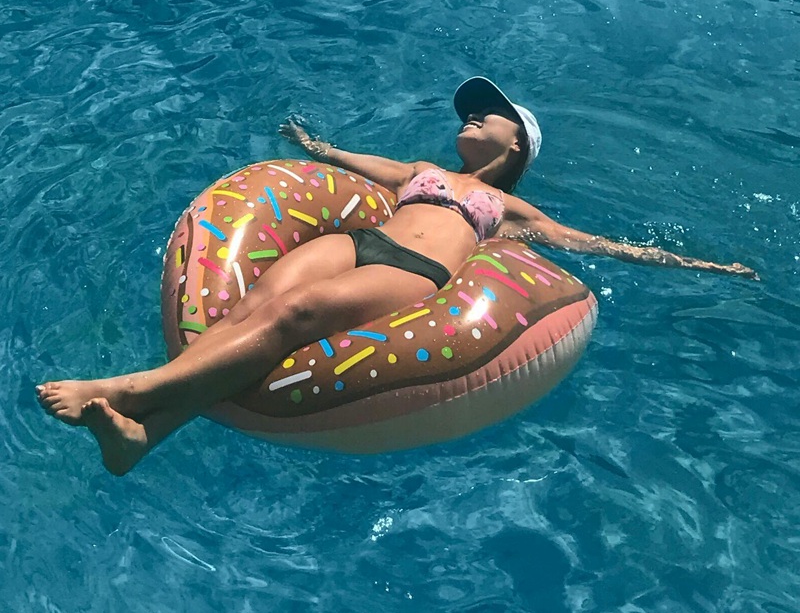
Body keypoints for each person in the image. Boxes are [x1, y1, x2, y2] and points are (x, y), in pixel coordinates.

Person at [36, 76, 758, 475]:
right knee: (253, 306)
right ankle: (142, 440)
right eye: (473, 111)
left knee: (294, 317)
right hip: (359, 241)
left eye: (490, 114)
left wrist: (702, 264)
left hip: (415, 272)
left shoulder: (507, 208)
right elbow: (345, 161)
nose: (473, 116)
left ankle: (134, 390)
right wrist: (308, 142)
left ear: (517, 145)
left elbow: (594, 244)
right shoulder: (422, 170)